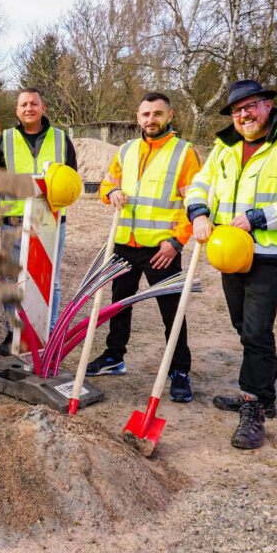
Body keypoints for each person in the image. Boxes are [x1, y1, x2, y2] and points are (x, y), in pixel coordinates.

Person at [187, 79, 277, 449]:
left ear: (268, 105)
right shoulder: (225, 147)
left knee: (255, 330)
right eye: (237, 110)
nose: (243, 115)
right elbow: (200, 183)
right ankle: (263, 396)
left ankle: (253, 405)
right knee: (243, 325)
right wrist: (199, 213)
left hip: (269, 252)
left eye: (250, 106)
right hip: (228, 251)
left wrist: (257, 218)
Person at [88, 92, 202, 403]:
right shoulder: (125, 150)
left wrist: (177, 242)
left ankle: (179, 370)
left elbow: (195, 202)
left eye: (157, 114)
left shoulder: (184, 153)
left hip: (161, 249)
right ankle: (114, 357)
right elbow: (107, 183)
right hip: (125, 243)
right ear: (138, 118)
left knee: (171, 310)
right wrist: (111, 192)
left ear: (170, 116)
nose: (151, 120)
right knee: (119, 304)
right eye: (146, 114)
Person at [0, 87, 77, 356]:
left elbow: (71, 182)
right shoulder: (5, 140)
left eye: (34, 104)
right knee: (12, 281)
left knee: (51, 281)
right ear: (17, 110)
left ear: (43, 108)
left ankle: (45, 335)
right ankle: (14, 331)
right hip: (13, 224)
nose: (29, 108)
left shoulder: (62, 140)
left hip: (51, 225)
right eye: (23, 104)